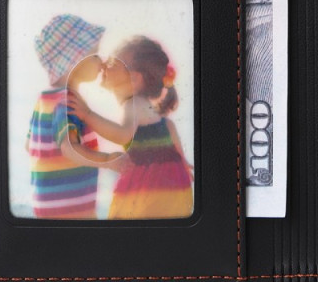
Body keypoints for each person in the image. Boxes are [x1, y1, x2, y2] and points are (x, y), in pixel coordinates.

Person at [68, 36, 193, 220]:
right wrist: (182, 163)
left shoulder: (132, 105)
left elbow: (123, 135)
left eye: (113, 63)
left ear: (134, 79)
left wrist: (87, 114)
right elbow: (169, 126)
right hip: (175, 187)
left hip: (149, 188)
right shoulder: (147, 108)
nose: (104, 65)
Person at [27, 14, 120, 219]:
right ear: (72, 62)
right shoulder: (67, 103)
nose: (101, 61)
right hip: (71, 208)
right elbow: (69, 148)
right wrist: (108, 161)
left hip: (46, 204)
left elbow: (30, 145)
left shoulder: (44, 100)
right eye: (94, 54)